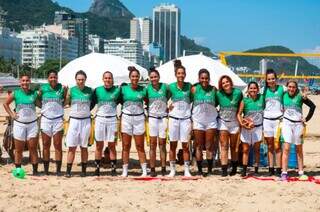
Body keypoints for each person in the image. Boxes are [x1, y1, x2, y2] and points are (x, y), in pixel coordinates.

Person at [3, 73, 39, 175]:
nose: (25, 83)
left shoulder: (34, 93)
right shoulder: (16, 93)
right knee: (19, 149)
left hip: (32, 124)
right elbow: (5, 104)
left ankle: (35, 171)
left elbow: (40, 104)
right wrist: (11, 114)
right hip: (19, 124)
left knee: (33, 148)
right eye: (23, 81)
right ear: (20, 82)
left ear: (30, 82)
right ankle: (18, 170)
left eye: (27, 81)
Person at [280, 80, 315, 181]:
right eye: (289, 87)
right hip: (287, 123)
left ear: (296, 88)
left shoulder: (300, 96)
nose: (291, 89)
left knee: (298, 149)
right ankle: (284, 173)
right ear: (287, 87)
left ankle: (300, 172)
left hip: (298, 125)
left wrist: (306, 119)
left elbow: (312, 106)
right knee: (286, 148)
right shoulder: (283, 95)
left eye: (293, 87)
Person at [65, 70, 93, 177]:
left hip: (85, 120)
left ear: (85, 79)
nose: (80, 81)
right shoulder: (71, 90)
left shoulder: (90, 90)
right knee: (71, 147)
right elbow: (66, 103)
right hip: (74, 120)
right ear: (75, 80)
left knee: (84, 147)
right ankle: (68, 171)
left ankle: (84, 171)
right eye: (78, 79)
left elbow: (93, 103)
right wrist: (65, 93)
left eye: (82, 79)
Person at [38, 69, 67, 175]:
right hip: (45, 119)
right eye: (51, 77)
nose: (53, 79)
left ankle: (58, 170)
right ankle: (46, 170)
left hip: (58, 119)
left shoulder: (62, 88)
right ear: (48, 78)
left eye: (55, 77)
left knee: (58, 144)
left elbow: (66, 99)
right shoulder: (43, 88)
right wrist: (43, 108)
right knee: (46, 144)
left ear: (57, 78)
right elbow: (37, 99)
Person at [120, 66, 147, 177]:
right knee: (126, 145)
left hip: (139, 118)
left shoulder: (143, 90)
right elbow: (117, 100)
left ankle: (144, 170)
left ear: (139, 77)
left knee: (140, 146)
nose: (135, 78)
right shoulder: (123, 89)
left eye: (136, 76)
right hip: (126, 118)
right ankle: (125, 170)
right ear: (129, 77)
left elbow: (150, 102)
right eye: (133, 76)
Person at [92, 71, 120, 176]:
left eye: (109, 78)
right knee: (99, 145)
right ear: (103, 79)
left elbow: (123, 100)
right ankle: (97, 168)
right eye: (106, 78)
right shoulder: (97, 90)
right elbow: (91, 103)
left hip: (112, 119)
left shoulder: (117, 90)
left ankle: (113, 169)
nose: (107, 80)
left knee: (112, 145)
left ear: (112, 79)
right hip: (100, 119)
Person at [167, 60, 192, 177]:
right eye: (179, 73)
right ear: (175, 74)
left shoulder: (189, 86)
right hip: (173, 118)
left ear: (185, 74)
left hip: (186, 119)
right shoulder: (171, 87)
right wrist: (168, 105)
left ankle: (186, 170)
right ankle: (172, 170)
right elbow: (163, 100)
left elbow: (194, 100)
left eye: (183, 73)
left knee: (185, 145)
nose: (181, 75)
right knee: (172, 145)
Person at [191, 69, 218, 176]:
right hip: (198, 120)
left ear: (209, 79)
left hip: (211, 121)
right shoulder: (194, 89)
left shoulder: (214, 89)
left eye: (206, 78)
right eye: (202, 78)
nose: (204, 80)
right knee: (198, 146)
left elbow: (218, 102)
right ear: (199, 78)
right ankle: (200, 170)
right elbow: (186, 100)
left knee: (209, 146)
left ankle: (210, 170)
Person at [216, 75, 243, 176]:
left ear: (230, 82)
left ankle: (234, 168)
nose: (225, 84)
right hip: (223, 122)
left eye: (227, 81)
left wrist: (242, 117)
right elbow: (212, 104)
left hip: (234, 122)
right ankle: (224, 169)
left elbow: (242, 104)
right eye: (223, 83)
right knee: (224, 146)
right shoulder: (218, 94)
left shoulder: (238, 93)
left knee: (233, 146)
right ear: (221, 85)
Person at [237, 81, 264, 177]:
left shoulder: (262, 98)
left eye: (254, 88)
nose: (253, 90)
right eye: (251, 88)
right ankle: (244, 171)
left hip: (258, 127)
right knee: (245, 149)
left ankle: (256, 170)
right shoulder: (244, 101)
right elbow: (239, 114)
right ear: (248, 90)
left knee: (257, 150)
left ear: (258, 89)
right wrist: (243, 124)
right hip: (247, 128)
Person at [146, 67, 169, 177]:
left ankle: (163, 167)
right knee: (152, 144)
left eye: (155, 77)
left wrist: (170, 107)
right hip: (152, 119)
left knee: (162, 144)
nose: (154, 78)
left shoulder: (165, 87)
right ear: (149, 78)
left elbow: (171, 96)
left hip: (163, 118)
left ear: (159, 77)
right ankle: (152, 168)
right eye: (152, 77)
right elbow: (145, 100)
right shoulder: (147, 88)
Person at [262, 69, 285, 176]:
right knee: (270, 146)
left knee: (277, 146)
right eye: (269, 79)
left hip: (278, 120)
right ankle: (271, 168)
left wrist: (303, 95)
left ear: (276, 79)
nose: (271, 81)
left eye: (273, 78)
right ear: (266, 80)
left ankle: (278, 168)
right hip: (267, 120)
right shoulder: (263, 90)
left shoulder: (282, 88)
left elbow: (294, 90)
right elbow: (249, 93)